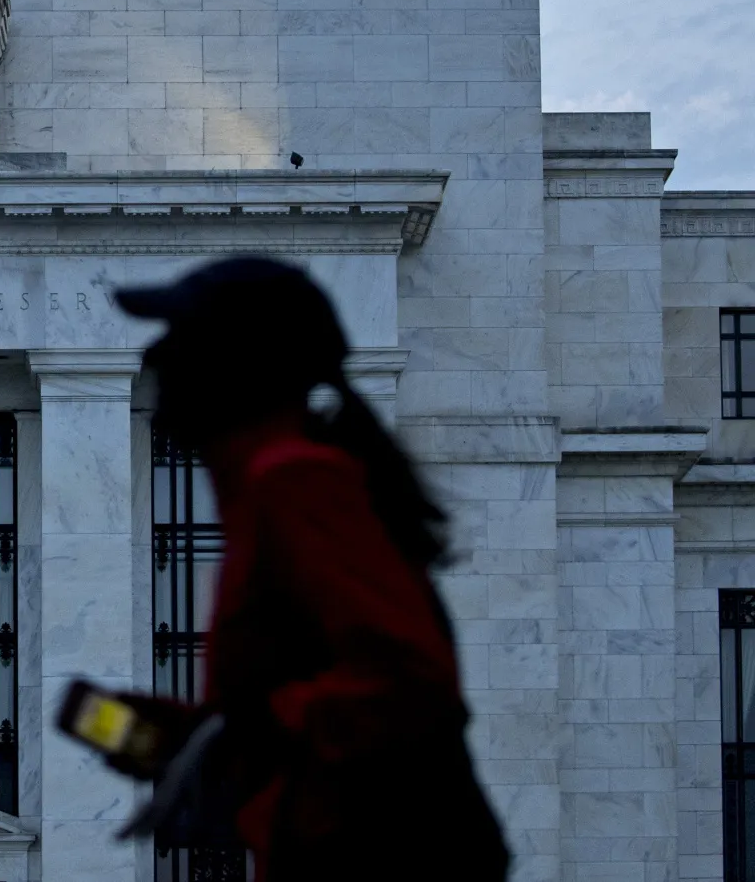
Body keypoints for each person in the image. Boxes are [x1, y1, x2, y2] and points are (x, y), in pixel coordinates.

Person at [98, 256, 508, 882]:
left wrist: (240, 733)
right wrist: (194, 737)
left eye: (181, 339)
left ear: (236, 363)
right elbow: (306, 701)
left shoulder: (295, 482)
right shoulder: (269, 487)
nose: (156, 359)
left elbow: (411, 681)